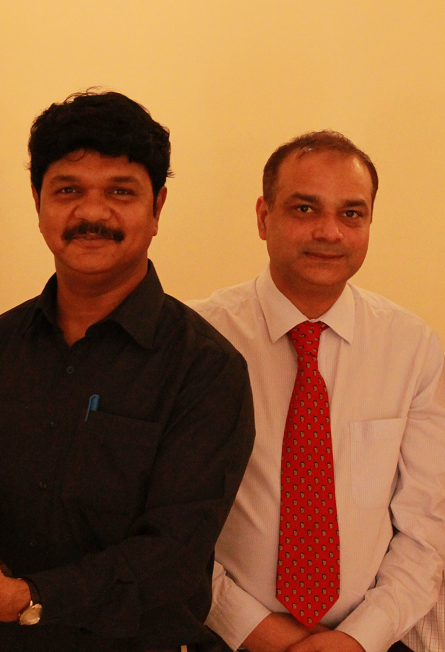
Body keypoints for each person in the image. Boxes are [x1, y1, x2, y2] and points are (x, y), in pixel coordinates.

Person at [0, 91, 256, 651]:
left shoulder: (205, 368)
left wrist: (23, 599)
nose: (92, 214)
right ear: (38, 202)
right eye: (68, 191)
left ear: (157, 208)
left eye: (120, 192)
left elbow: (172, 556)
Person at [189, 131, 445, 652]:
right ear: (263, 217)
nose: (330, 231)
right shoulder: (196, 340)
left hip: (369, 640)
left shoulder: (412, 347)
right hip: (223, 636)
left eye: (352, 214)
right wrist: (263, 635)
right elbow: (170, 527)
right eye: (305, 208)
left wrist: (357, 639)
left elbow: (427, 528)